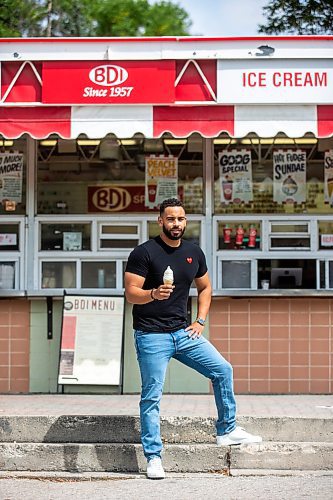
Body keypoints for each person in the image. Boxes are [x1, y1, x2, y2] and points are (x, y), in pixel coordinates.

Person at [124, 198, 262, 480]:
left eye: (181, 219)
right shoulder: (144, 253)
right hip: (151, 335)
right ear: (160, 220)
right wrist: (152, 294)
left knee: (223, 370)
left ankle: (226, 430)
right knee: (152, 396)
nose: (177, 224)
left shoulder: (193, 252)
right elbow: (130, 292)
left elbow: (206, 287)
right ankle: (153, 458)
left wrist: (200, 321)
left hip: (183, 333)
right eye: (171, 219)